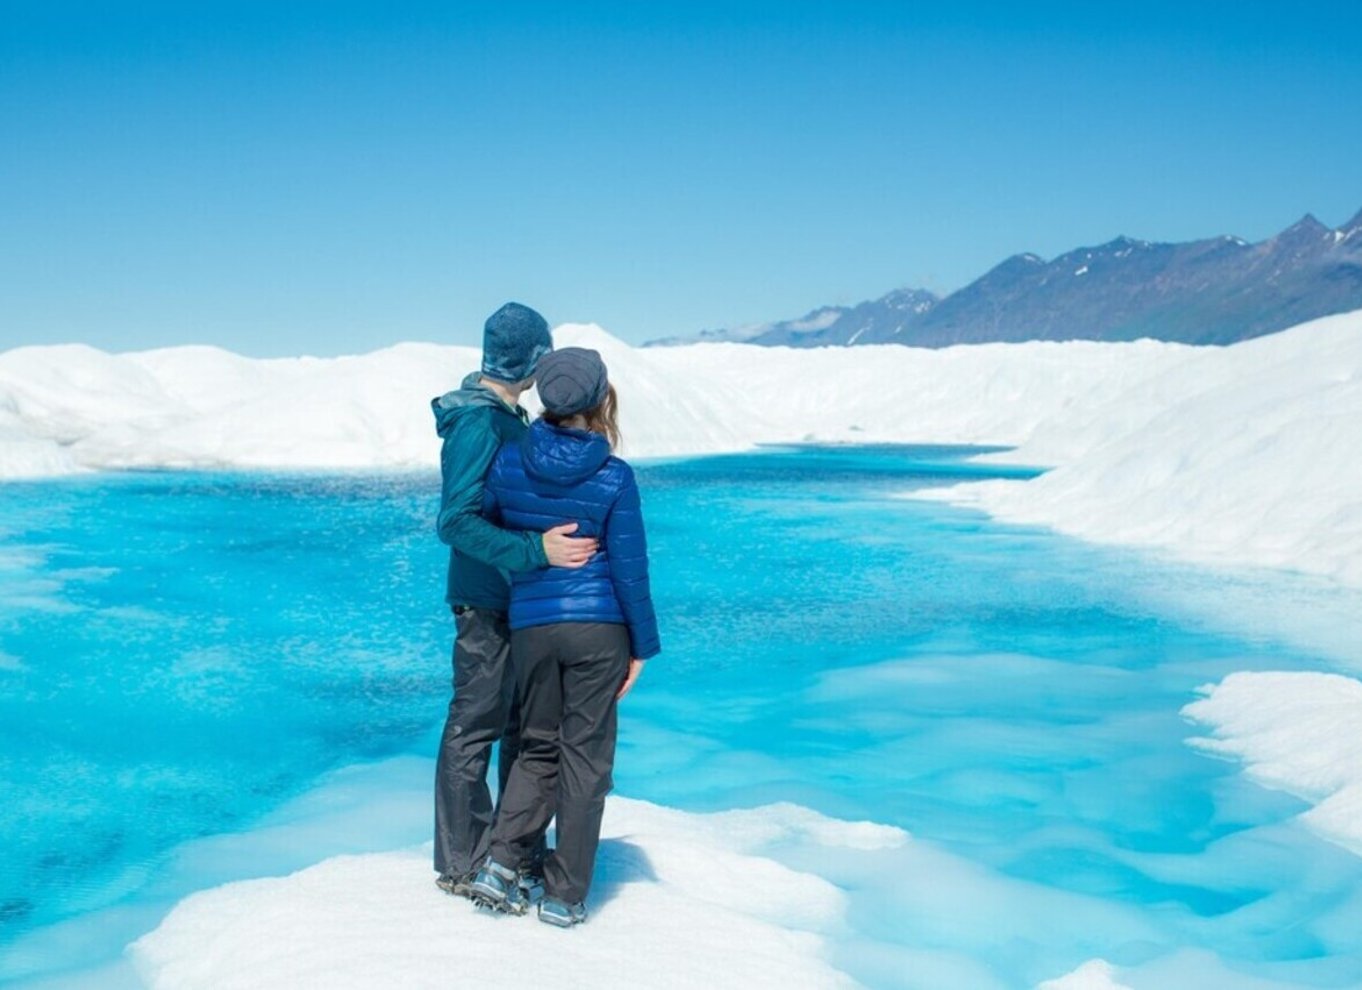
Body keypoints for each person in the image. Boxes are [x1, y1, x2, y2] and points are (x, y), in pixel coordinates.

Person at [468, 346, 660, 926]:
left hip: (532, 628)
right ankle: (565, 894)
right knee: (586, 759)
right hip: (599, 632)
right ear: (601, 399)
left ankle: (501, 867)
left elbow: (486, 527)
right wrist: (642, 647)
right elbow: (630, 567)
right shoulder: (614, 475)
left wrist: (533, 554)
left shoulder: (506, 463)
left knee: (536, 746)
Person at [431, 303, 598, 897]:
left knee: (518, 728)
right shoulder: (480, 423)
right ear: (530, 359)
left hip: (514, 600)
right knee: (475, 724)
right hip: (484, 602)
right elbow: (455, 522)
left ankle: (508, 852)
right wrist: (535, 550)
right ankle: (461, 864)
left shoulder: (509, 417)